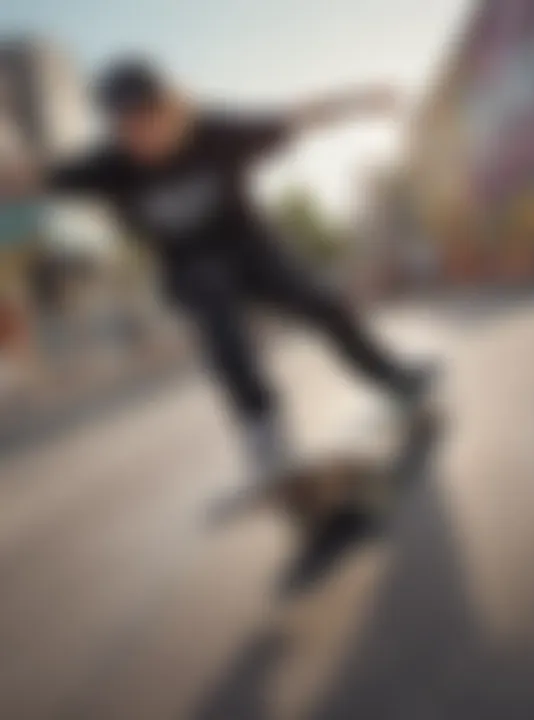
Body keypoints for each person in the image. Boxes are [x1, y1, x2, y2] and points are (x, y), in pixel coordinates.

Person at [0, 59, 431, 487]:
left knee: (322, 303)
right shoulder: (107, 166)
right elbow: (30, 177)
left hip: (254, 252)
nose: (145, 135)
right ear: (116, 129)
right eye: (130, 128)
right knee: (219, 321)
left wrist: (364, 99)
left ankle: (391, 377)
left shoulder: (218, 132)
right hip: (191, 271)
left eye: (153, 119)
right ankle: (264, 433)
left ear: (174, 109)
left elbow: (299, 116)